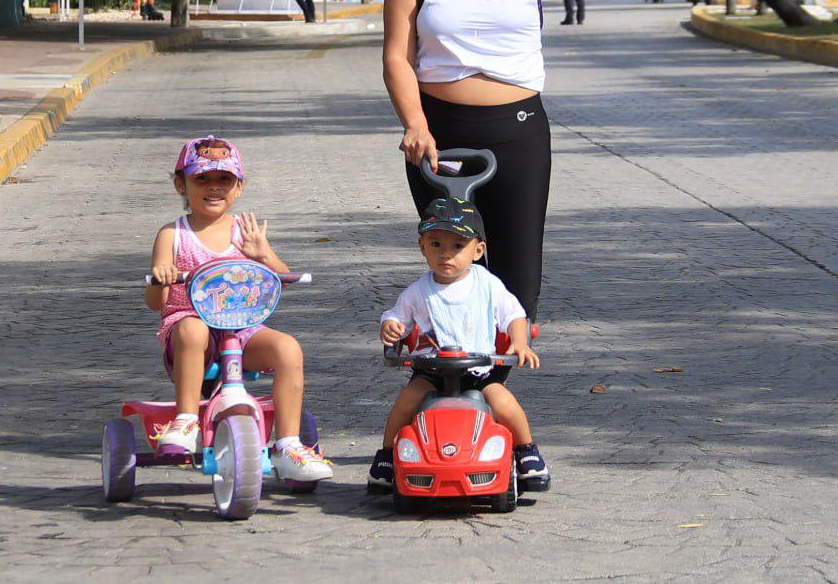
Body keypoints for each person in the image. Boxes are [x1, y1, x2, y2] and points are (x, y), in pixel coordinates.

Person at [382, 0, 745, 326]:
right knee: (452, 274)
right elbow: (398, 56)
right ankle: (448, 369)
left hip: (518, 134)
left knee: (516, 286)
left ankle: (502, 371)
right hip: (438, 138)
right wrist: (415, 123)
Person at [144, 136, 334, 483]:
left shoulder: (243, 231)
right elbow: (155, 301)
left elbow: (280, 278)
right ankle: (186, 420)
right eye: (202, 179)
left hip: (242, 327)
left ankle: (288, 445)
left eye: (224, 179)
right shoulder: (172, 234)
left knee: (287, 347)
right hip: (189, 330)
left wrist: (263, 255)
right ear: (181, 184)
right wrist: (163, 278)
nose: (214, 187)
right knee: (192, 328)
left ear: (238, 187)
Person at [368, 197, 544, 490]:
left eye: (457, 246)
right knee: (407, 400)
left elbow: (514, 314)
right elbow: (396, 316)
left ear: (478, 250)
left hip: (479, 370)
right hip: (432, 371)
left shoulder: (487, 284)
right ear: (422, 247)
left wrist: (520, 341)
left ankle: (526, 450)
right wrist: (391, 327)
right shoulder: (418, 291)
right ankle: (387, 454)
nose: (446, 254)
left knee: (503, 402)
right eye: (436, 244)